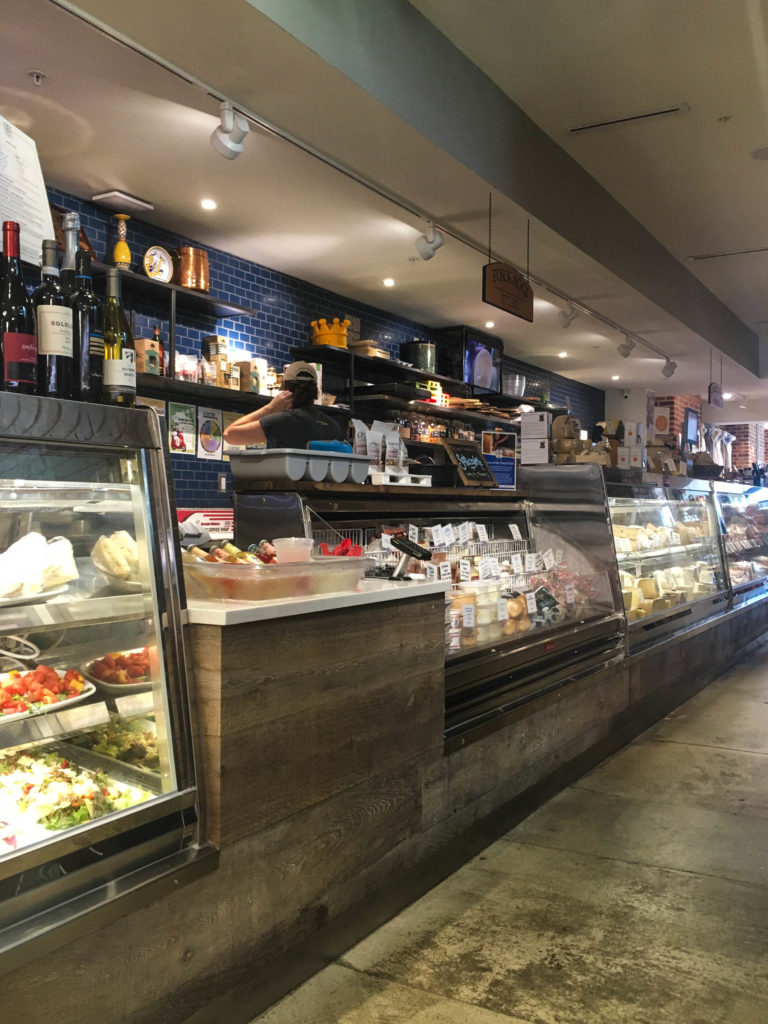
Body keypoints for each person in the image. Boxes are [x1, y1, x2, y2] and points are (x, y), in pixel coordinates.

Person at [222, 361, 344, 448]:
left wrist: (270, 408)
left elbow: (229, 434)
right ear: (316, 391)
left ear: (285, 390)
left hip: (290, 484)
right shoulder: (333, 426)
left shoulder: (285, 421)